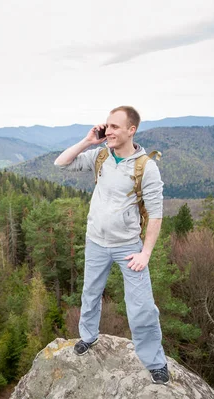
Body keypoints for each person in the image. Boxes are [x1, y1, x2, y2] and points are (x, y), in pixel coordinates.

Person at [54, 105, 169, 385]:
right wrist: (87, 141)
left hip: (128, 246)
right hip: (95, 240)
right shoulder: (101, 155)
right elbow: (61, 162)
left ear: (132, 130)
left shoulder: (146, 167)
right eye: (107, 125)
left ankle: (155, 362)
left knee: (141, 306)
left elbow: (155, 214)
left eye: (115, 126)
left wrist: (146, 253)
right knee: (90, 293)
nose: (109, 131)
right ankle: (88, 337)